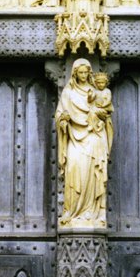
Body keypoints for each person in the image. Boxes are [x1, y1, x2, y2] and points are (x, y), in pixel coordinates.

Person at [56, 58, 111, 228]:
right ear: (74, 73)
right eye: (80, 72)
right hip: (75, 137)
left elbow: (106, 113)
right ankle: (73, 213)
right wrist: (63, 121)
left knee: (93, 175)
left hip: (93, 137)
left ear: (89, 73)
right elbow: (59, 114)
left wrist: (101, 116)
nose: (83, 75)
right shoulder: (68, 93)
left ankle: (93, 214)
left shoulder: (96, 91)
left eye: (86, 72)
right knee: (74, 169)